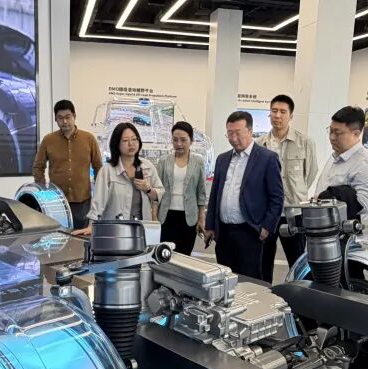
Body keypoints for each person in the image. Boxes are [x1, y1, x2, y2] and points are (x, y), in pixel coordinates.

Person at [204, 111, 284, 281]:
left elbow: (277, 198)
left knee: (249, 281)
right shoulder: (222, 159)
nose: (233, 138)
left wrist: (267, 227)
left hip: (250, 231)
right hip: (224, 233)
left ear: (250, 131)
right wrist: (210, 225)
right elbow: (215, 194)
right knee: (225, 280)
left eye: (238, 133)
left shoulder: (267, 158)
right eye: (229, 133)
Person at [258, 94, 318, 281]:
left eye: (283, 112)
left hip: (294, 213)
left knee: (297, 261)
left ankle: (298, 295)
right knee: (263, 260)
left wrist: (296, 192)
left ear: (291, 115)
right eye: (274, 111)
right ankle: (263, 293)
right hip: (267, 213)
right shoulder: (260, 144)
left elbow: (311, 173)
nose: (277, 115)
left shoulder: (305, 142)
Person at [77, 122, 163, 234]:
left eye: (134, 139)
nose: (131, 144)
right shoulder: (108, 171)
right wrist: (91, 226)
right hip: (116, 231)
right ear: (117, 144)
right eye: (125, 140)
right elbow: (98, 202)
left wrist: (148, 188)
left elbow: (159, 195)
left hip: (142, 231)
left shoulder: (148, 167)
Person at [31, 99, 103, 229]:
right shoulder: (48, 140)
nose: (64, 121)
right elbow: (38, 167)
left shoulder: (88, 139)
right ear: (55, 119)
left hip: (82, 200)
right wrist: (44, 193)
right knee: (58, 235)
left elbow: (98, 167)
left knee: (82, 236)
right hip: (56, 201)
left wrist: (99, 193)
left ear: (74, 116)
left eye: (68, 117)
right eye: (60, 118)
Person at [311, 106, 368, 220]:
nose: (332, 137)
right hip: (321, 222)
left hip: (341, 227)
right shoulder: (335, 155)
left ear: (356, 134)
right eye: (330, 131)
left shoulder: (365, 162)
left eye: (337, 133)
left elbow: (363, 205)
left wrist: (328, 197)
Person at [154, 121, 208, 254]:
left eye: (183, 140)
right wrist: (154, 216)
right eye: (175, 140)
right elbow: (156, 190)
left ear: (191, 141)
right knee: (164, 254)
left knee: (185, 255)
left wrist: (201, 218)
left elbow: (201, 192)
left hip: (189, 217)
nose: (179, 144)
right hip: (166, 216)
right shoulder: (163, 161)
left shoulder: (198, 161)